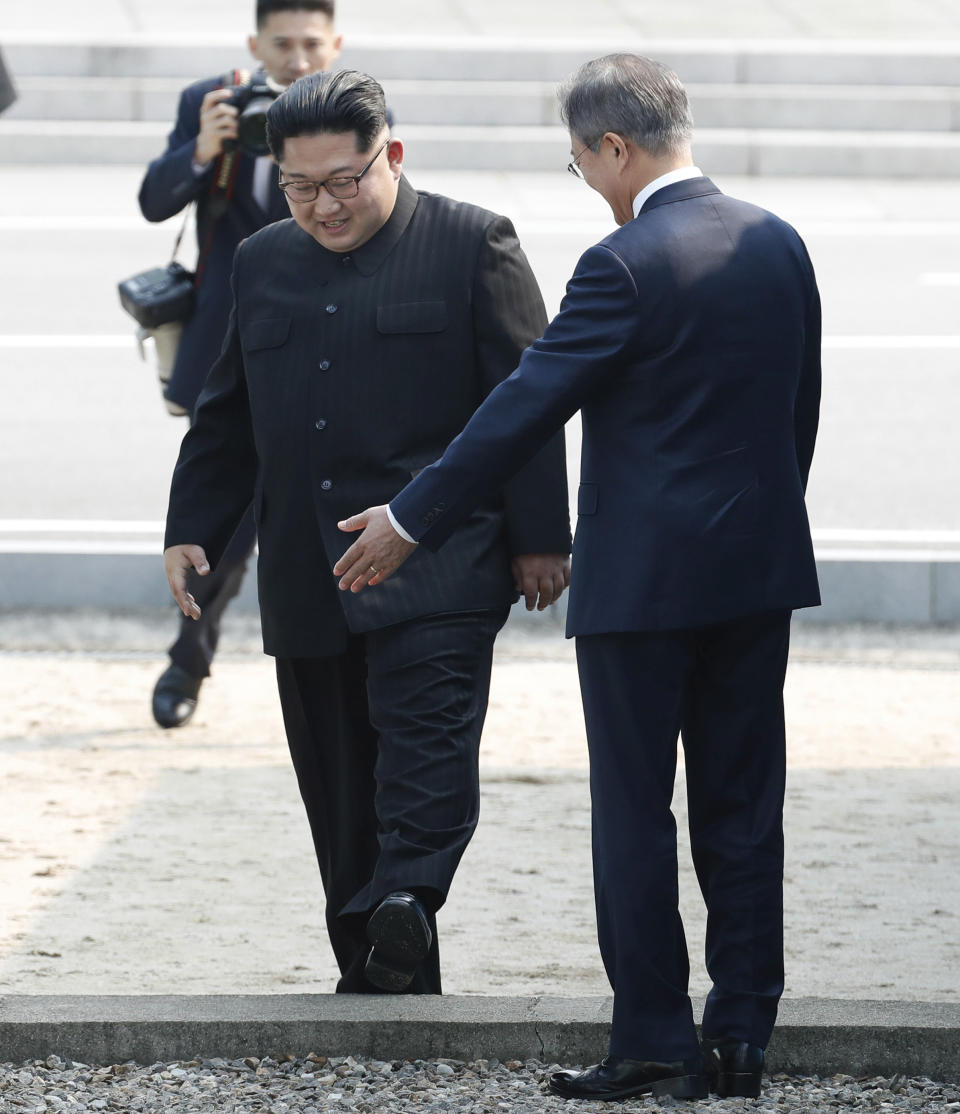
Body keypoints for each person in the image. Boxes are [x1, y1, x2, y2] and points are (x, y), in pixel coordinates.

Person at [333, 53, 821, 1101]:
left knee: (636, 813)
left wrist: (413, 517)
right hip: (758, 572)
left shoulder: (624, 260)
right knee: (745, 805)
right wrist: (763, 533)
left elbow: (524, 406)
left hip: (643, 588)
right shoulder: (780, 242)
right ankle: (743, 1035)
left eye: (578, 162)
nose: (586, 179)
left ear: (614, 146)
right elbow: (798, 417)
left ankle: (653, 1036)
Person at [162, 69, 571, 995]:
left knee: (427, 750)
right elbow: (227, 415)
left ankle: (411, 894)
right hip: (309, 575)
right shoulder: (264, 259)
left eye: (344, 180)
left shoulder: (474, 244)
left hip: (444, 565)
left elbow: (528, 401)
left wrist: (541, 534)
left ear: (390, 153)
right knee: (338, 790)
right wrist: (192, 526)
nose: (323, 205)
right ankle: (381, 971)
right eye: (300, 187)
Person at [139, 0, 344, 729]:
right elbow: (155, 203)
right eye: (282, 44)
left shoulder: (353, 108)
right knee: (223, 514)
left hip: (329, 341)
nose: (296, 60)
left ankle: (323, 667)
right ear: (254, 43)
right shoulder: (211, 100)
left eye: (311, 45)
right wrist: (203, 149)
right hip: (230, 342)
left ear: (335, 45)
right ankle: (190, 654)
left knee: (315, 512)